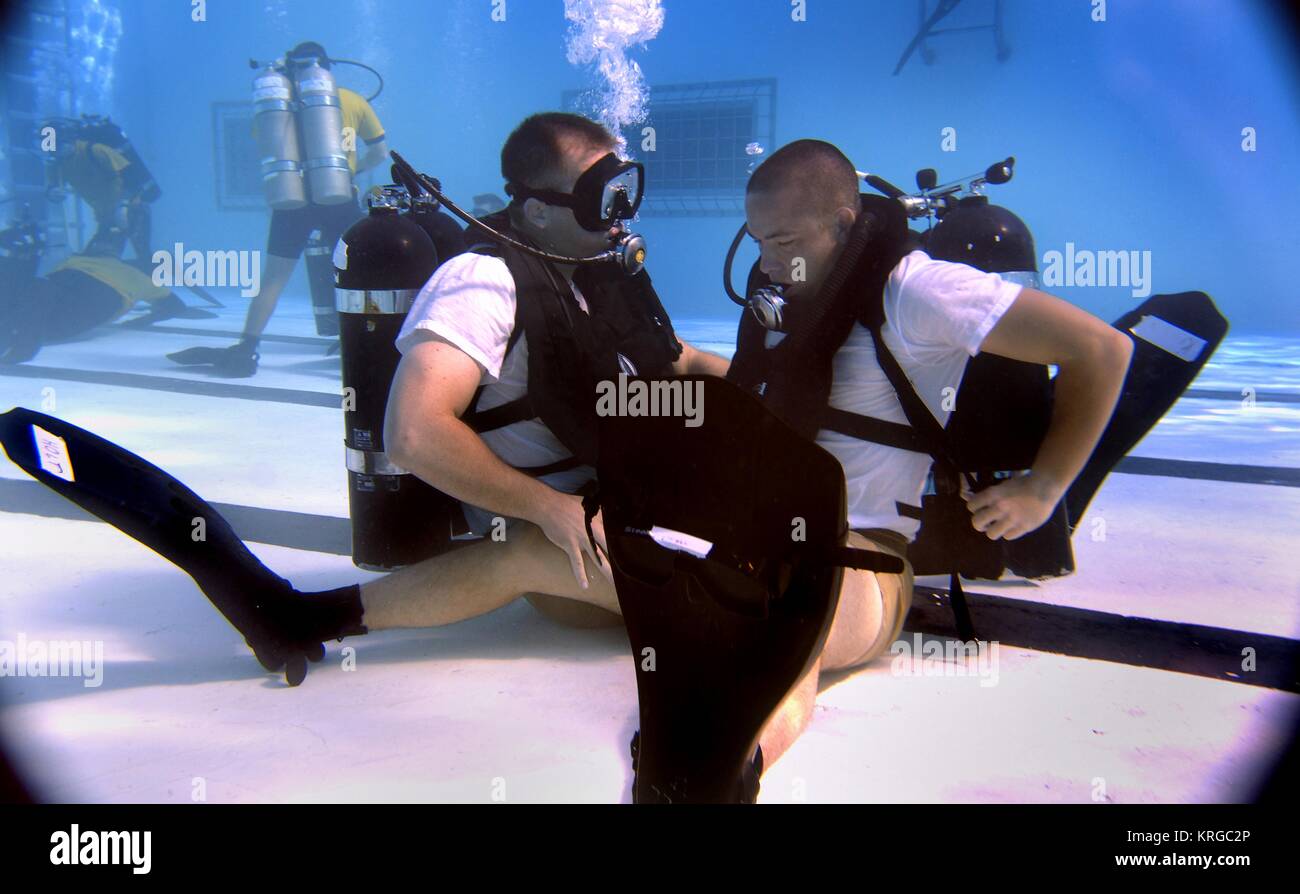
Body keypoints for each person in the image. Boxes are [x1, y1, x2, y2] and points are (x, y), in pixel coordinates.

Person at [723, 139, 1134, 769]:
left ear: (843, 223)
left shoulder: (917, 292)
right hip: (759, 529)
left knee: (788, 622)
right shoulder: (789, 293)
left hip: (859, 551)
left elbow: (1102, 350)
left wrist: (1045, 486)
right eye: (757, 242)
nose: (769, 264)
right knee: (546, 549)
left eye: (784, 242)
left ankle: (724, 770)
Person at [167, 41, 390, 377]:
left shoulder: (277, 108)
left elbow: (267, 147)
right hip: (339, 197)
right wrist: (350, 172)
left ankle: (247, 347)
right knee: (359, 274)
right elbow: (380, 152)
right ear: (327, 68)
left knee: (273, 279)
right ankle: (369, 341)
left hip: (292, 202)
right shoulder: (352, 100)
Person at [0, 253, 199, 364]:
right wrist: (145, 319)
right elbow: (175, 306)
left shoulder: (100, 259)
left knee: (29, 298)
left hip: (68, 277)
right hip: (105, 296)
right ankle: (18, 336)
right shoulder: (145, 281)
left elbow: (55, 275)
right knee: (53, 327)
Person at [45, 116, 158, 265]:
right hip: (106, 217)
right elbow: (52, 187)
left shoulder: (95, 151)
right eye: (51, 150)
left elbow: (129, 176)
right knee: (97, 260)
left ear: (67, 139)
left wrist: (123, 206)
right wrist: (53, 193)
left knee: (139, 257)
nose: (55, 153)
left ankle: (154, 276)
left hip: (132, 210)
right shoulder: (58, 165)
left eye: (57, 147)